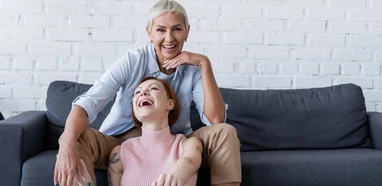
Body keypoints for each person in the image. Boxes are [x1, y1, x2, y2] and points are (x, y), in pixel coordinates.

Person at [53, 0, 242, 186]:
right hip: (120, 140)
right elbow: (88, 103)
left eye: (177, 29)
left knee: (225, 132)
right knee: (74, 136)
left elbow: (216, 120)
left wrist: (204, 63)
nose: (169, 38)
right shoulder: (133, 60)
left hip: (173, 142)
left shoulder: (193, 69)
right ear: (149, 33)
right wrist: (66, 144)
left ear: (187, 32)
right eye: (161, 30)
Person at [109, 76, 203, 186]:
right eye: (137, 92)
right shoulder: (120, 152)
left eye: (154, 88)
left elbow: (190, 161)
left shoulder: (189, 144)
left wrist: (175, 176)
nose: (143, 93)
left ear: (170, 104)